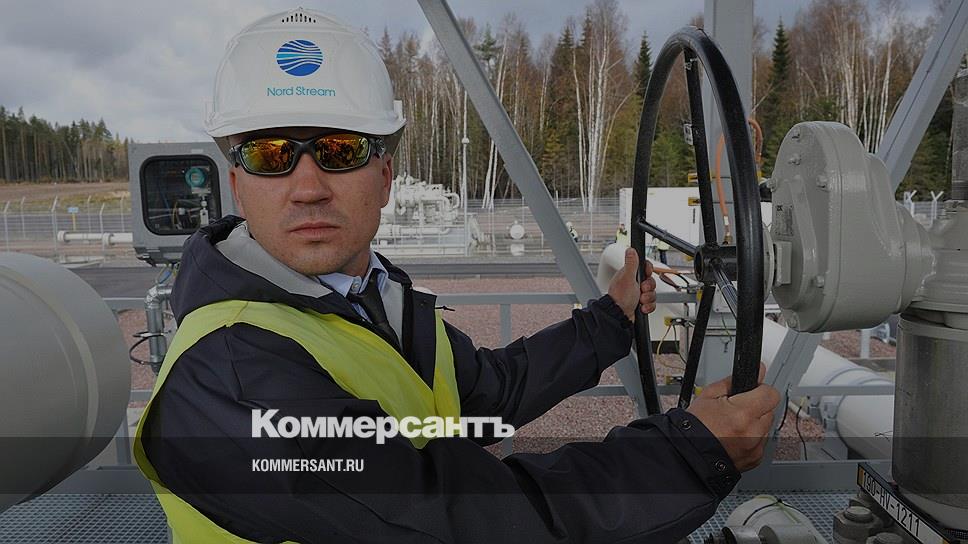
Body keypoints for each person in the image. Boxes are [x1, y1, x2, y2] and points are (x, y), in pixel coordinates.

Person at [134, 8, 780, 543]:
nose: (308, 187)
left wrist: (610, 320)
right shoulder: (229, 376)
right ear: (238, 184)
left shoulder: (374, 300)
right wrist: (688, 452)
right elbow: (463, 519)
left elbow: (490, 389)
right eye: (270, 154)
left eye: (340, 150)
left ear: (384, 176)